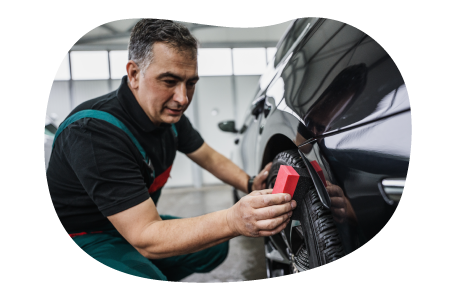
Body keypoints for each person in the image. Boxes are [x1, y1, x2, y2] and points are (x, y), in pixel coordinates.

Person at [46, 18, 296, 282]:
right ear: (133, 74)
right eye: (169, 81)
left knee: (214, 245)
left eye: (190, 83)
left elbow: (208, 156)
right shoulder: (94, 131)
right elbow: (144, 235)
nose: (183, 98)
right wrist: (233, 220)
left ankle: (143, 271)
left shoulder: (168, 118)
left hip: (129, 224)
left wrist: (249, 183)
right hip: (85, 237)